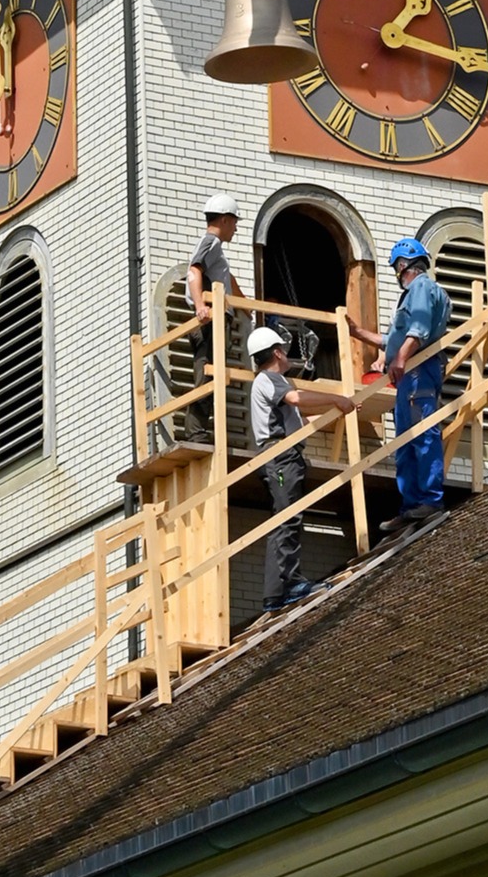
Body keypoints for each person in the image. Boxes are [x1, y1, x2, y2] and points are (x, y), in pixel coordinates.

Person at [245, 325, 361, 610]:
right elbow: (297, 400)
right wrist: (335, 398)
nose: (287, 355)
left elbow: (298, 413)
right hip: (281, 456)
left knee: (285, 519)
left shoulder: (269, 384)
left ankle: (277, 591)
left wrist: (336, 409)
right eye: (283, 350)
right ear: (276, 352)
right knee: (288, 519)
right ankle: (289, 583)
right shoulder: (270, 379)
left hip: (281, 455)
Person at [346, 237, 452, 534]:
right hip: (408, 372)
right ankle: (411, 506)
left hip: (418, 368)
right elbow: (391, 340)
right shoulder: (414, 294)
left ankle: (429, 500)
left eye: (397, 269)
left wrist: (401, 359)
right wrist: (359, 333)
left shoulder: (421, 288)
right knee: (406, 439)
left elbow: (418, 330)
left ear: (404, 265)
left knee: (421, 433)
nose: (397, 275)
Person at [185, 195, 244, 440]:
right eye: (234, 222)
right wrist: (200, 305)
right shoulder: (212, 242)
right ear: (224, 219)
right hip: (211, 321)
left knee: (212, 372)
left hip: (218, 319)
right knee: (207, 373)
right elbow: (194, 270)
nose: (236, 227)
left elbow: (227, 281)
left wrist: (246, 307)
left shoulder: (216, 250)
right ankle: (196, 431)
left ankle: (199, 430)